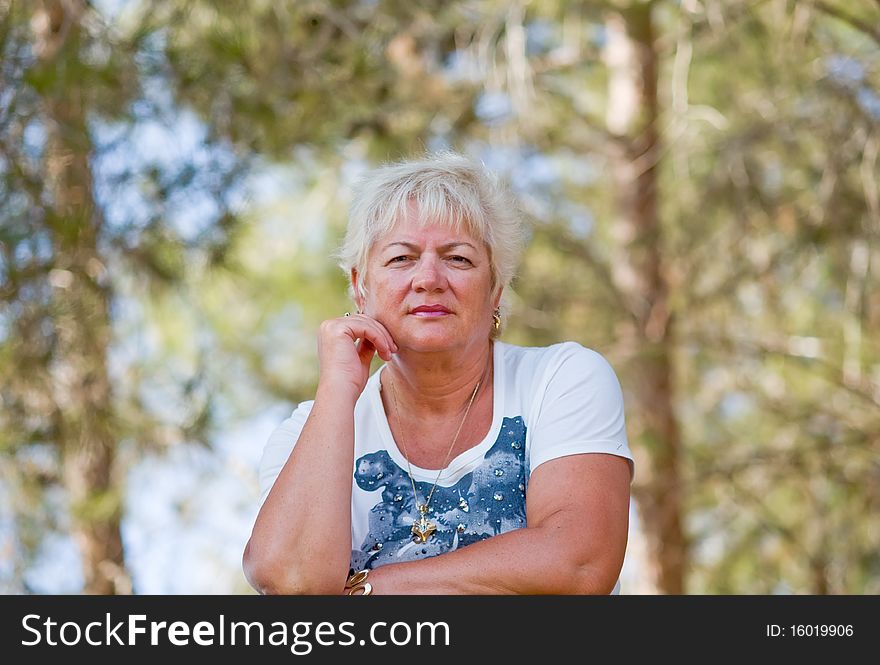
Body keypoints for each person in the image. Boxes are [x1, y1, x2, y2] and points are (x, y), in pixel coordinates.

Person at [242, 152, 634, 595]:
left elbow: (579, 565)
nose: (428, 278)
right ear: (359, 286)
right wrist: (337, 388)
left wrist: (367, 589)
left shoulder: (561, 379)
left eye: (459, 259)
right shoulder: (306, 434)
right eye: (401, 259)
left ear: (496, 292)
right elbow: (291, 584)